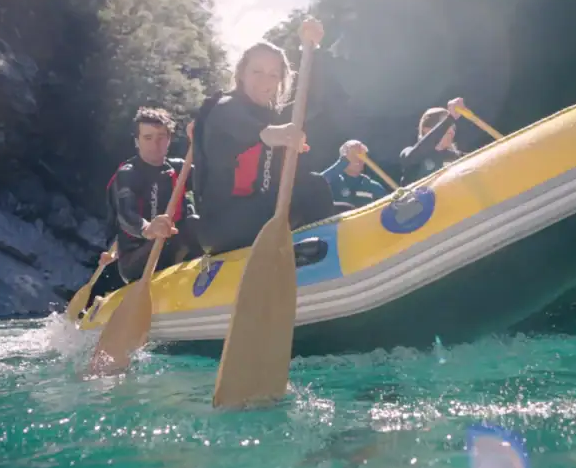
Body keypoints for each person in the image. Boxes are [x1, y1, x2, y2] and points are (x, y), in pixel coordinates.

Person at [191, 18, 337, 255]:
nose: (264, 81)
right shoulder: (224, 107)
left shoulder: (273, 114)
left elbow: (312, 101)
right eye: (257, 72)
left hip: (262, 210)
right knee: (307, 192)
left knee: (316, 186)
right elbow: (246, 127)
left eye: (273, 75)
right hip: (223, 224)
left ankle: (322, 255)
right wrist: (277, 134)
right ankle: (313, 255)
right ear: (242, 74)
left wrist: (311, 49)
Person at [104, 106, 203, 284]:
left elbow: (210, 179)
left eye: (161, 137)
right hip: (137, 259)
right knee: (176, 234)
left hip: (174, 244)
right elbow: (126, 214)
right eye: (148, 138)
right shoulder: (127, 174)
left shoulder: (180, 168)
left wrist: (203, 139)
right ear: (137, 141)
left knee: (195, 222)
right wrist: (148, 229)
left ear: (169, 139)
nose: (155, 144)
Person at [398, 96, 466, 185]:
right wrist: (450, 118)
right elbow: (413, 156)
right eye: (445, 124)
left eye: (452, 126)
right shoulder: (409, 153)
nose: (451, 130)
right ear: (427, 130)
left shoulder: (457, 156)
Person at [319, 140, 389, 209]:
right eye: (354, 156)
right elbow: (317, 184)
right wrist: (343, 162)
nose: (359, 160)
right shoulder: (333, 182)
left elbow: (389, 208)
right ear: (343, 159)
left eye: (362, 156)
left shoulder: (372, 186)